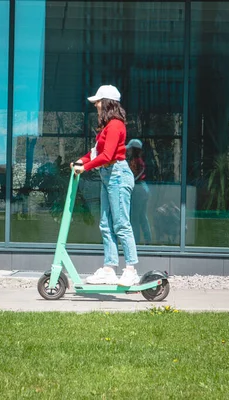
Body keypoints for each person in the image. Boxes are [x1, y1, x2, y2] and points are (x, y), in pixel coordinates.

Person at [71, 85, 140, 286]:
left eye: (99, 102)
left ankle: (131, 270)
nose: (96, 106)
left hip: (118, 175)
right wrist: (79, 162)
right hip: (108, 176)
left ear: (108, 103)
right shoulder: (105, 128)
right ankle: (109, 269)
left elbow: (108, 156)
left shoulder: (116, 125)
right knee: (105, 224)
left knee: (121, 224)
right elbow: (95, 153)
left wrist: (86, 168)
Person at [127, 139, 152, 245]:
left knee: (135, 217)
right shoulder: (138, 160)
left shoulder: (136, 161)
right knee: (142, 216)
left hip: (138, 190)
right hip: (143, 189)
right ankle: (147, 239)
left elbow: (134, 176)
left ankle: (135, 242)